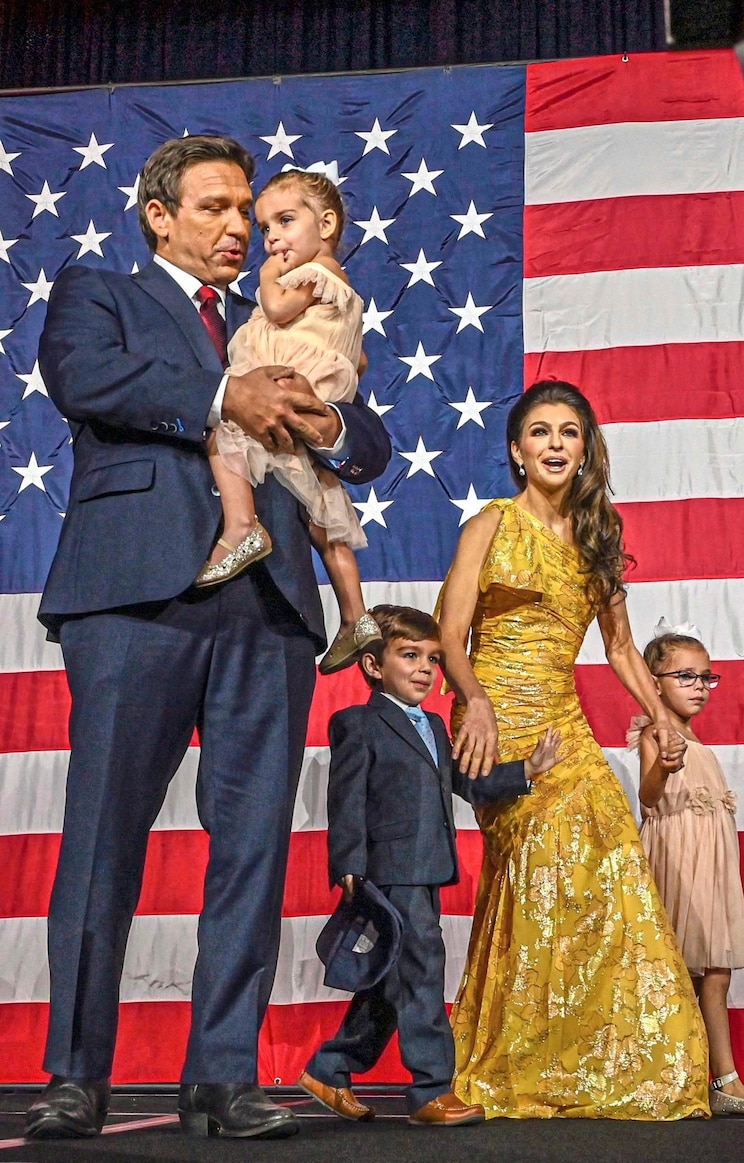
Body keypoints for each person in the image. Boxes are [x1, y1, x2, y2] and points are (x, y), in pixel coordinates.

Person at [24, 135, 392, 1142]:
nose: (240, 228)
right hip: (133, 599)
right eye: (217, 207)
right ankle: (76, 1076)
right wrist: (224, 394)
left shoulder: (289, 307)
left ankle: (222, 1074)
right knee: (102, 839)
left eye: (248, 211)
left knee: (252, 852)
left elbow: (369, 439)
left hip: (267, 609)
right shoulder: (99, 291)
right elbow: (85, 379)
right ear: (159, 214)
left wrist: (327, 425)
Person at [435, 380, 711, 1120]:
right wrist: (478, 702)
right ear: (516, 450)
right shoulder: (489, 523)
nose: (555, 443)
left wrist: (661, 718)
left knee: (613, 857)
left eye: (569, 431)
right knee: (533, 877)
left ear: (585, 447)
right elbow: (450, 633)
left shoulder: (597, 533)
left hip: (564, 721)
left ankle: (603, 1059)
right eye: (540, 432)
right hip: (501, 728)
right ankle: (516, 1056)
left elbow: (620, 645)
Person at [298, 605, 564, 1127]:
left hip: (426, 866)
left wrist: (525, 770)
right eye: (410, 655)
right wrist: (349, 863)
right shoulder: (358, 722)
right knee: (422, 971)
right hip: (388, 870)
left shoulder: (437, 729)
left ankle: (330, 1069)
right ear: (374, 666)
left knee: (393, 979)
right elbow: (346, 798)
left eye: (434, 659)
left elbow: (468, 784)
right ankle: (430, 1091)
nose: (425, 669)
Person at [197, 168, 381, 675]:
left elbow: (276, 309)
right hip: (315, 377)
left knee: (224, 430)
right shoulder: (338, 288)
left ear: (326, 224)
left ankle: (241, 527)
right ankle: (356, 615)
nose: (271, 238)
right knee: (323, 509)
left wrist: (264, 278)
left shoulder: (307, 275)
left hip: (290, 382)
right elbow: (359, 361)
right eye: (265, 229)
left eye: (284, 221)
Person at [631, 626, 744, 1116]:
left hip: (709, 864)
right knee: (676, 971)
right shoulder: (658, 733)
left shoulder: (697, 740)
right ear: (654, 682)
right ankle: (677, 1076)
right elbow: (649, 796)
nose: (698, 686)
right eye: (685, 676)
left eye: (706, 677)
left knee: (716, 973)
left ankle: (720, 1079)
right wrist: (665, 768)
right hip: (678, 861)